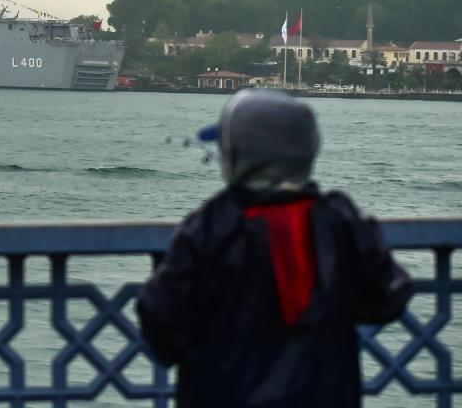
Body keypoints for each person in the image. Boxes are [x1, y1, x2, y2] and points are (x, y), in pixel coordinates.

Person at [137, 89, 410, 407]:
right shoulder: (340, 220)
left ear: (237, 157)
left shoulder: (210, 226)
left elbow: (161, 322)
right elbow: (389, 296)